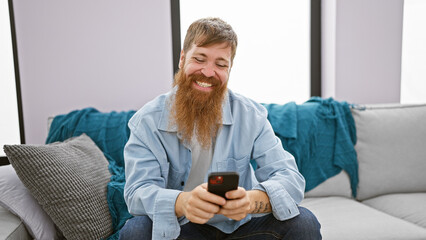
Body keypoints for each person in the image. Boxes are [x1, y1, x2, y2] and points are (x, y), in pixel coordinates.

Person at [120, 17, 321, 240]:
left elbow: (289, 178)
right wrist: (182, 202)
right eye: (200, 59)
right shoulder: (146, 121)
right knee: (135, 230)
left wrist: (250, 201)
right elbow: (137, 192)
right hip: (182, 229)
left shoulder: (251, 115)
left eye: (220, 64)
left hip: (242, 228)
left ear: (230, 69)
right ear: (182, 58)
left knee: (304, 222)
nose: (208, 72)